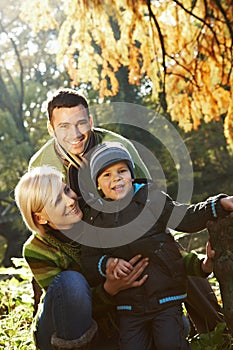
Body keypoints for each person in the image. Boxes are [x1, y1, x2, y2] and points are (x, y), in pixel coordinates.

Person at [79, 141, 233, 350]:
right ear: (98, 184)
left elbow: (185, 218)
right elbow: (89, 259)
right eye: (106, 175)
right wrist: (106, 263)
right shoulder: (96, 219)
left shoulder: (151, 199)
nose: (115, 178)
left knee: (170, 343)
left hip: (165, 297)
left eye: (121, 170)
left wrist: (217, 204)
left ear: (131, 175)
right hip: (128, 306)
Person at [14, 166, 149, 350]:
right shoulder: (36, 250)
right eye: (57, 201)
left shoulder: (97, 218)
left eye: (67, 190)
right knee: (71, 282)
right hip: (60, 329)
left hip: (109, 322)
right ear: (40, 218)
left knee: (175, 328)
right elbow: (71, 306)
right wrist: (109, 289)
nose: (71, 201)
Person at [28, 88, 150, 192]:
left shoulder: (120, 146)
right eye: (64, 126)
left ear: (90, 122)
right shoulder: (39, 166)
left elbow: (151, 193)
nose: (75, 134)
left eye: (81, 123)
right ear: (51, 129)